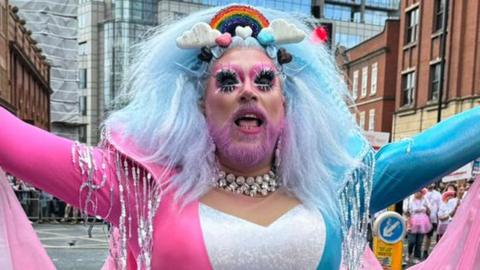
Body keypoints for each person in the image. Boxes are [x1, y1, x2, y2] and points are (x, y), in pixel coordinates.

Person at [0, 5, 480, 270]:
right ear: (199, 106)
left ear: (288, 107)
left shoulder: (339, 184)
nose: (247, 91)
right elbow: (16, 141)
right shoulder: (137, 184)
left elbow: (434, 148)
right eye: (227, 82)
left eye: (264, 81)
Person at [405, 190, 431, 264]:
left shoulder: (425, 199)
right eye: (416, 191)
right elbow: (406, 211)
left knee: (419, 241)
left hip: (423, 222)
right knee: (411, 241)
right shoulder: (409, 199)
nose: (418, 193)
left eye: (420, 191)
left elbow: (429, 211)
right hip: (412, 222)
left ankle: (417, 256)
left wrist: (427, 208)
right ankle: (409, 253)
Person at [423, 183, 441, 258]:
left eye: (433, 182)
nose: (431, 184)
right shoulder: (422, 192)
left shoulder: (438, 194)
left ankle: (425, 251)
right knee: (418, 237)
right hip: (420, 218)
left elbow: (439, 207)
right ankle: (415, 253)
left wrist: (438, 218)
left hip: (432, 218)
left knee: (428, 236)